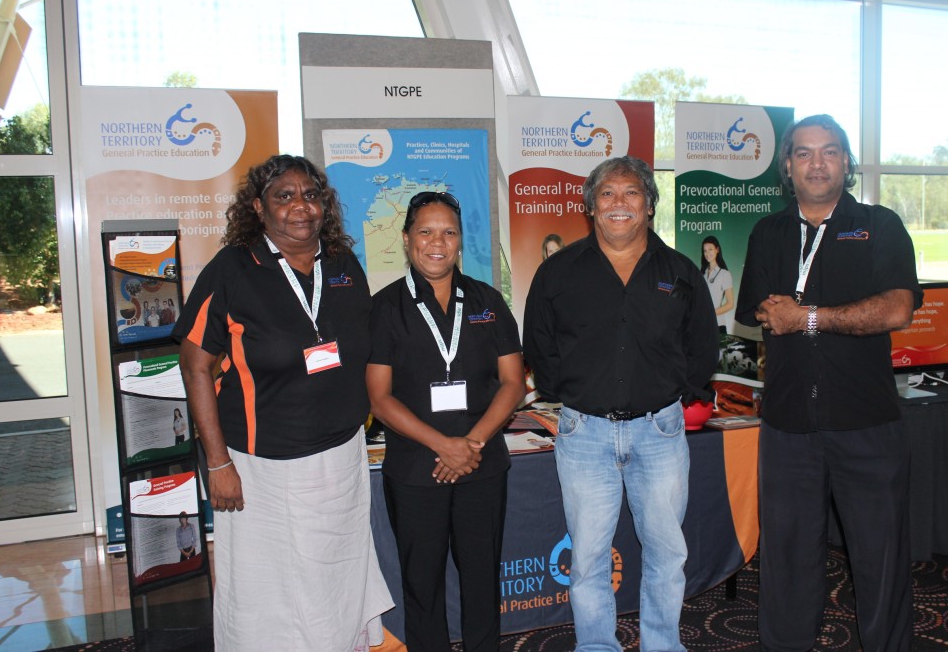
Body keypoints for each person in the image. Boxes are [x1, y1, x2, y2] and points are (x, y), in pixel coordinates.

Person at [173, 154, 392, 651]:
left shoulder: (342, 263)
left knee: (334, 575)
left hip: (341, 458)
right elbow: (195, 367)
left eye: (311, 195)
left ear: (324, 205)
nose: (301, 207)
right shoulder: (233, 269)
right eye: (284, 196)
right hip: (261, 467)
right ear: (259, 207)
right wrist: (217, 462)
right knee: (266, 589)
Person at [735, 114, 922, 652]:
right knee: (787, 560)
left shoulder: (880, 226)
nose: (817, 164)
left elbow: (896, 308)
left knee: (881, 558)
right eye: (804, 153)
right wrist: (804, 314)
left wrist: (809, 317)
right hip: (788, 424)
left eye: (830, 152)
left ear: (846, 163)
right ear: (787, 167)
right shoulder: (767, 233)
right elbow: (760, 310)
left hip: (866, 423)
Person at [524, 156, 719, 651]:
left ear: (649, 205)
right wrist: (572, 393)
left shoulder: (680, 272)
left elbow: (702, 346)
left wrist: (675, 392)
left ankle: (662, 645)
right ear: (590, 206)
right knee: (588, 557)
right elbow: (540, 346)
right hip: (584, 434)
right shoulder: (558, 272)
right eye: (607, 193)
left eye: (631, 192)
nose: (619, 203)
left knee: (667, 553)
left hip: (660, 433)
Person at [366, 191, 524, 651]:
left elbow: (513, 382)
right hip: (417, 468)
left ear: (460, 241)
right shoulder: (385, 307)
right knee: (422, 585)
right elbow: (379, 398)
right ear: (406, 238)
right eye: (426, 231)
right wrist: (444, 445)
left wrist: (470, 444)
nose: (438, 242)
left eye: (449, 232)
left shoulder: (487, 300)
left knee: (482, 578)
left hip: (481, 463)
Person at [700, 235, 734, 332]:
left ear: (717, 249)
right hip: (701, 324)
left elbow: (730, 304)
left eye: (710, 249)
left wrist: (710, 314)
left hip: (717, 325)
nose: (707, 253)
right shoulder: (701, 274)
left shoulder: (725, 274)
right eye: (705, 251)